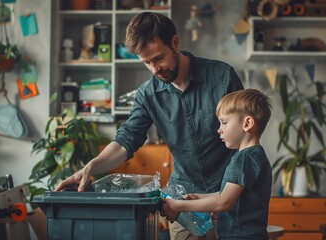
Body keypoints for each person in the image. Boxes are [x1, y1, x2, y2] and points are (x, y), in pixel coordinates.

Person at [55, 12, 243, 239]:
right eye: (146, 63)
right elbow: (127, 139)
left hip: (232, 194)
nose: (154, 69)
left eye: (158, 58)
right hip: (185, 201)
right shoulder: (148, 94)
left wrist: (228, 194)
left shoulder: (222, 76)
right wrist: (89, 168)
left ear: (175, 42)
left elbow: (246, 139)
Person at [160, 89, 273, 240]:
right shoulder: (255, 155)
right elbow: (229, 194)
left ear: (247, 123)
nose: (219, 129)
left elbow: (224, 202)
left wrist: (177, 206)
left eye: (224, 122)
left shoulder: (244, 159)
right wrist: (199, 197)